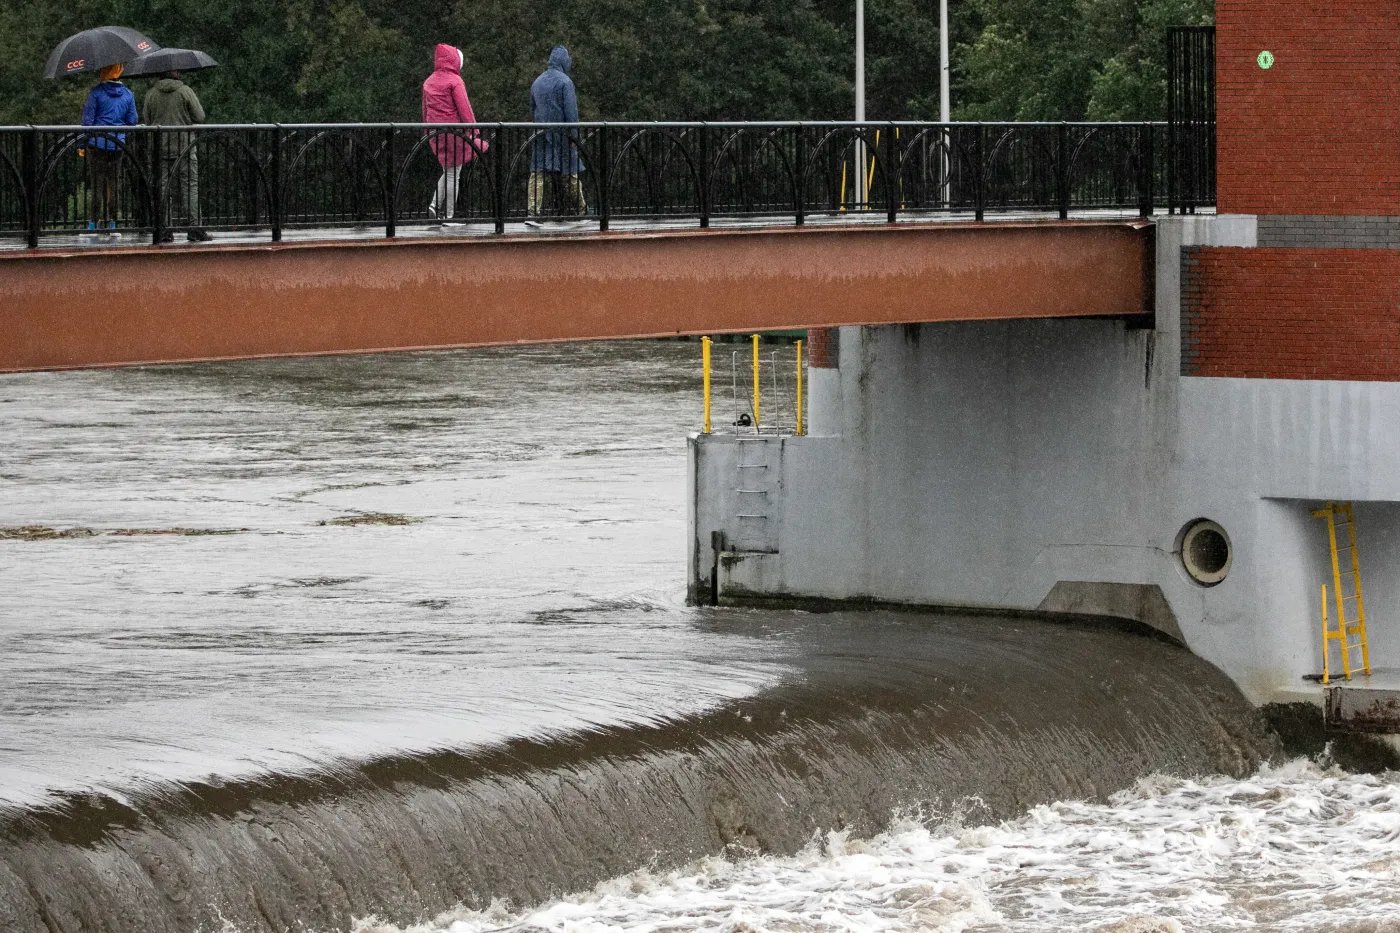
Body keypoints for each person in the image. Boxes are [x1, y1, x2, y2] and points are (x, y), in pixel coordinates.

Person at [422, 44, 486, 226]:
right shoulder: (455, 81)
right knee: (454, 173)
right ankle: (449, 215)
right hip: (454, 133)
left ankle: (435, 205)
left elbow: (425, 110)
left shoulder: (429, 81)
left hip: (436, 133)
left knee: (448, 170)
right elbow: (464, 108)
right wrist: (473, 130)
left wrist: (427, 131)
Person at [144, 70, 210, 242]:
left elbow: (147, 119)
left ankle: (165, 230)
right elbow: (200, 116)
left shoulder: (151, 94)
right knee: (190, 187)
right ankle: (195, 229)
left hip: (160, 147)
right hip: (185, 146)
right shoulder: (185, 91)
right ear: (175, 73)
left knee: (162, 188)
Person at [528, 45, 586, 224]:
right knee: (570, 174)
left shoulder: (537, 82)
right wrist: (574, 136)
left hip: (541, 134)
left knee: (538, 173)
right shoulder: (565, 82)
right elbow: (571, 113)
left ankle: (532, 212)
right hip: (562, 136)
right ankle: (581, 211)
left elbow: (532, 109)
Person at [81, 63, 138, 238]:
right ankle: (113, 224)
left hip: (97, 144)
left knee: (97, 184)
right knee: (114, 184)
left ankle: (93, 224)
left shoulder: (96, 93)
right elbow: (133, 120)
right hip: (117, 144)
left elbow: (87, 121)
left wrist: (82, 144)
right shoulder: (128, 94)